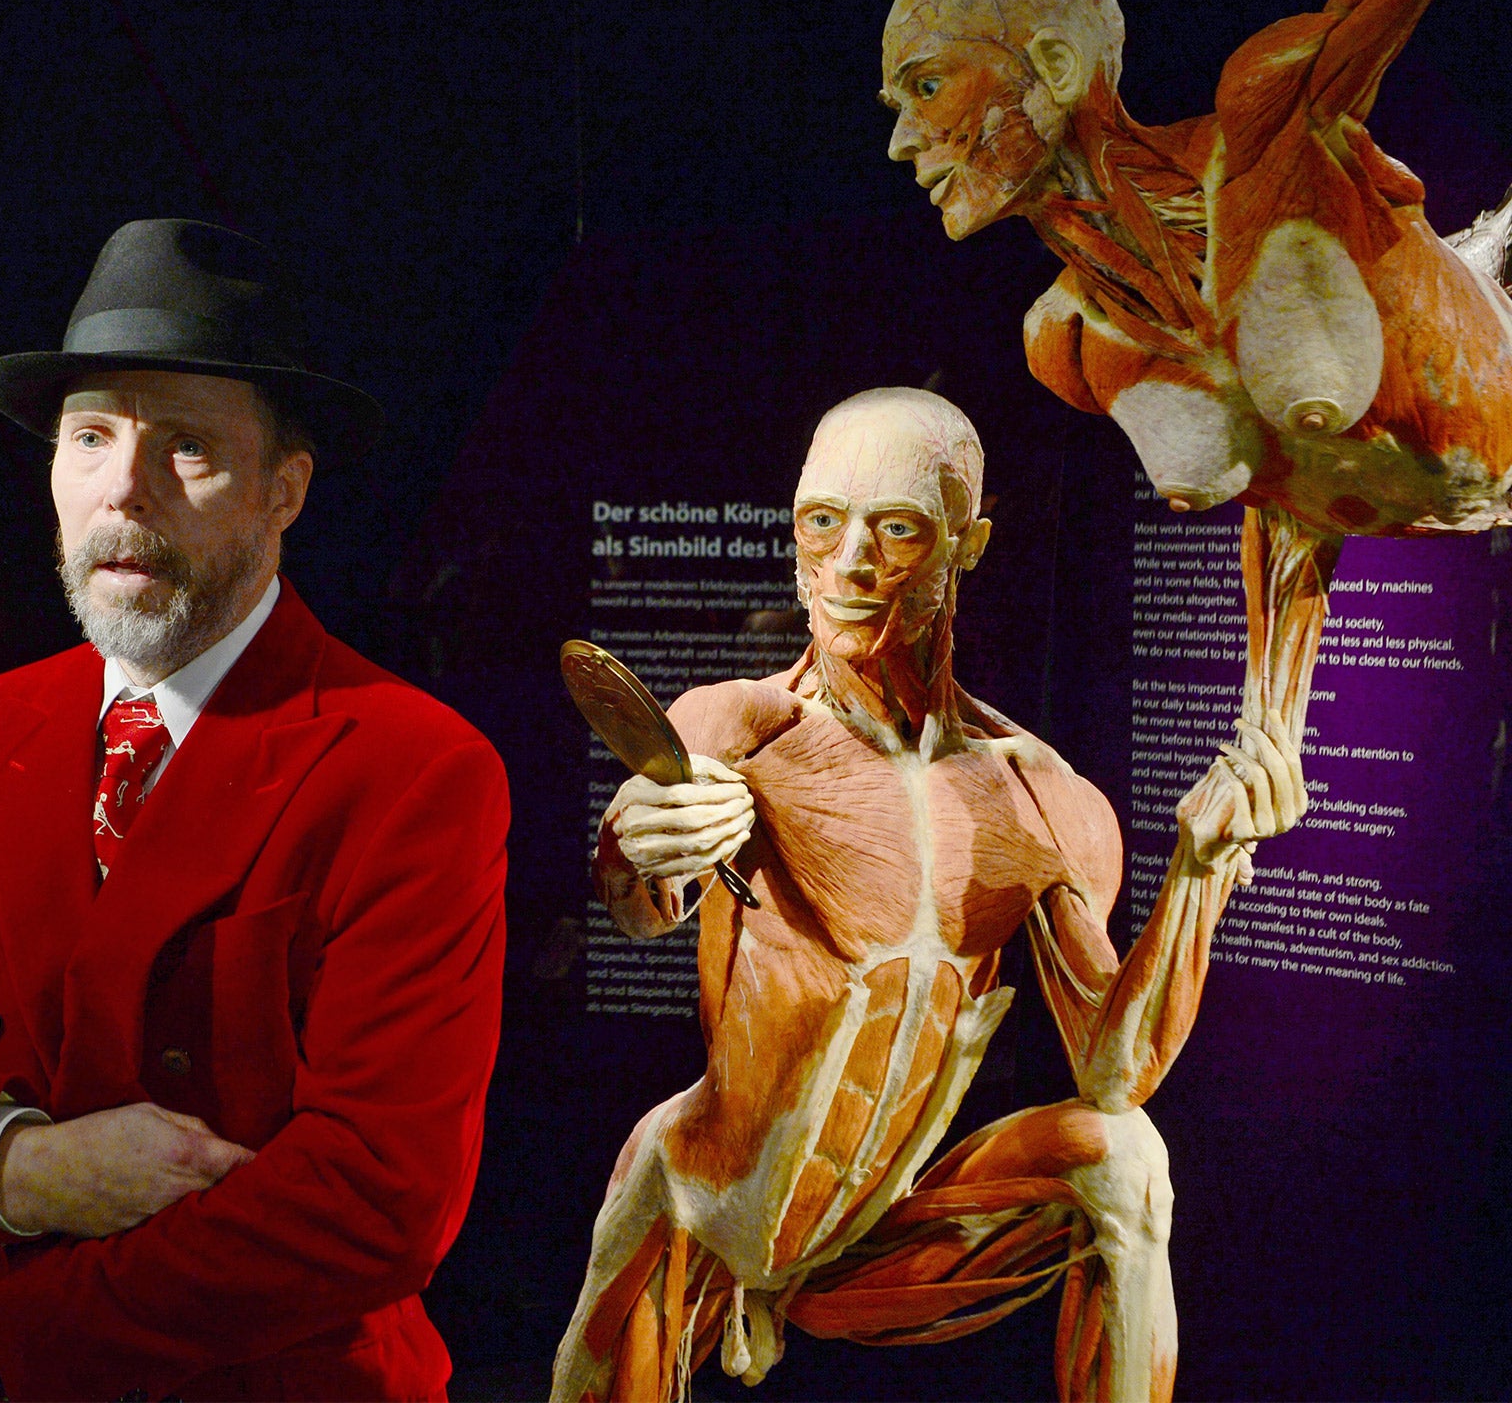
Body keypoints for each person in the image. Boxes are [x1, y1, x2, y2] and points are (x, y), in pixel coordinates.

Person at [0, 218, 510, 1402]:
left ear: (284, 490)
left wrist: (16, 1321)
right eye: (90, 438)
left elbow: (380, 1195)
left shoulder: (412, 765)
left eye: (187, 449)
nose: (122, 488)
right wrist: (30, 1169)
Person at [551, 389, 1302, 1403]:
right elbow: (641, 898)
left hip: (873, 1227)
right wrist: (643, 836)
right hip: (702, 1210)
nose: (850, 561)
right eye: (822, 521)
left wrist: (1197, 873)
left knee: (1124, 1156)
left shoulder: (1039, 794)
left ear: (968, 543)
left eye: (896, 527)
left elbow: (1114, 1071)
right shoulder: (741, 726)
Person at [878, 0, 1512, 764]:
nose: (902, 139)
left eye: (927, 86)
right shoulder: (1071, 342)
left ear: (1054, 68)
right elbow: (1291, 486)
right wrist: (1268, 732)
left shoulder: (1265, 141)